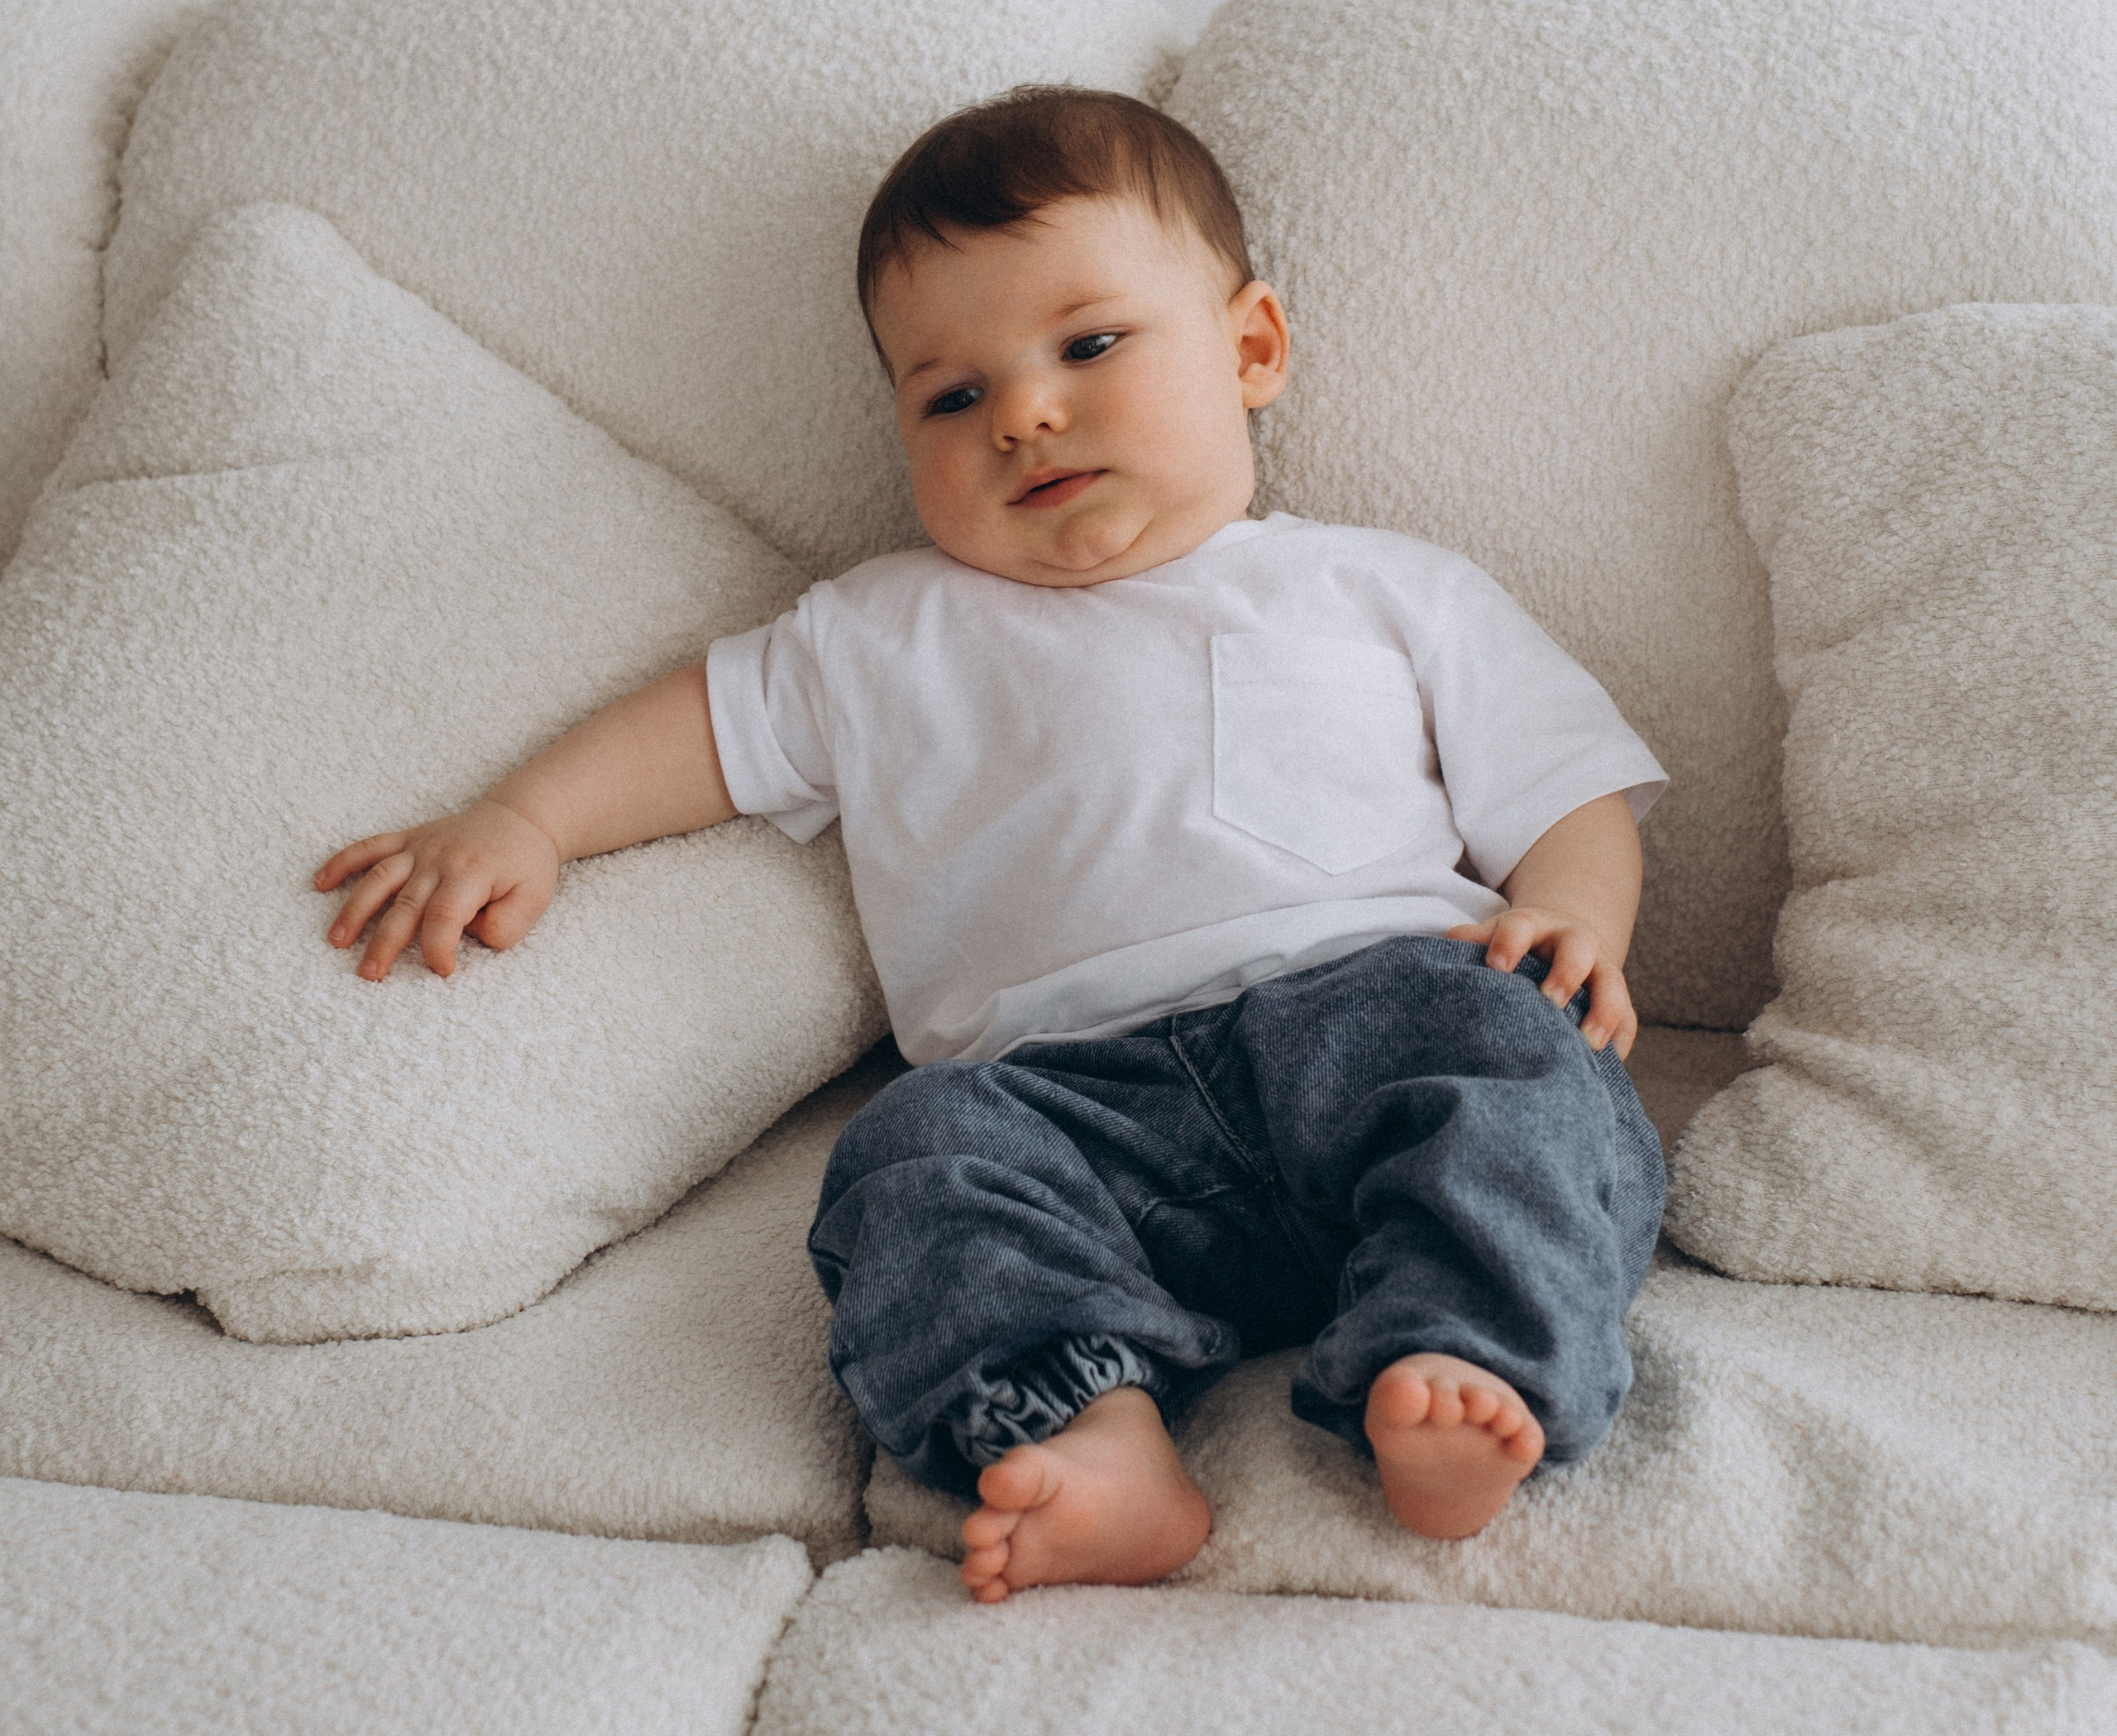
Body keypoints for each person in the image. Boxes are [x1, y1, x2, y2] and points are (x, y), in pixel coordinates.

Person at [318, 88, 1665, 1600]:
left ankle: (1455, 1367)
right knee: (908, 1161)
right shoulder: (884, 633)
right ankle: (1088, 1430)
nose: (1024, 412)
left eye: (1090, 347)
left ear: (1253, 348)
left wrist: (1571, 914)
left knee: (1518, 1069)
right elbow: (699, 727)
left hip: (1376, 1018)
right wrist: (528, 818)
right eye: (952, 397)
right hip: (1065, 1105)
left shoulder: (1377, 589)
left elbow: (1564, 788)